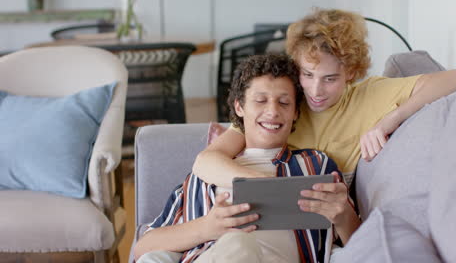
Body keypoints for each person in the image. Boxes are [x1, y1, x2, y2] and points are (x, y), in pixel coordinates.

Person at [193, 8, 456, 241]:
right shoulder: (283, 105)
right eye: (307, 74)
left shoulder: (369, 96)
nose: (316, 90)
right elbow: (205, 161)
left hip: (317, 230)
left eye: (330, 78)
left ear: (350, 72)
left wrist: (390, 120)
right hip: (259, 220)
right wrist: (273, 187)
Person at [134, 54, 351, 263]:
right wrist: (207, 227)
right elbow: (142, 248)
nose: (273, 111)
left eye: (284, 103)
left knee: (240, 245)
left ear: (295, 112)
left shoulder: (315, 166)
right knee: (237, 245)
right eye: (260, 101)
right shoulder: (202, 177)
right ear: (239, 107)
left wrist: (343, 215)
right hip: (216, 254)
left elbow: (362, 243)